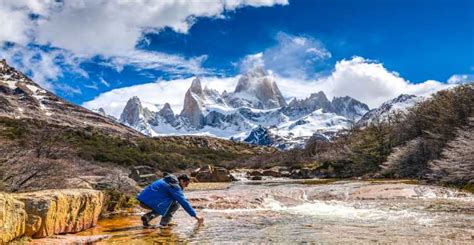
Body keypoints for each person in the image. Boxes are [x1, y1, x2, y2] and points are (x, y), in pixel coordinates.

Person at [137, 173, 204, 227]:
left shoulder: (165, 180)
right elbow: (183, 202)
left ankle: (147, 217)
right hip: (151, 203)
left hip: (142, 201)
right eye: (186, 183)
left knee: (167, 202)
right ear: (181, 181)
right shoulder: (175, 186)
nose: (186, 186)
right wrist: (196, 216)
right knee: (176, 203)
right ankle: (164, 223)